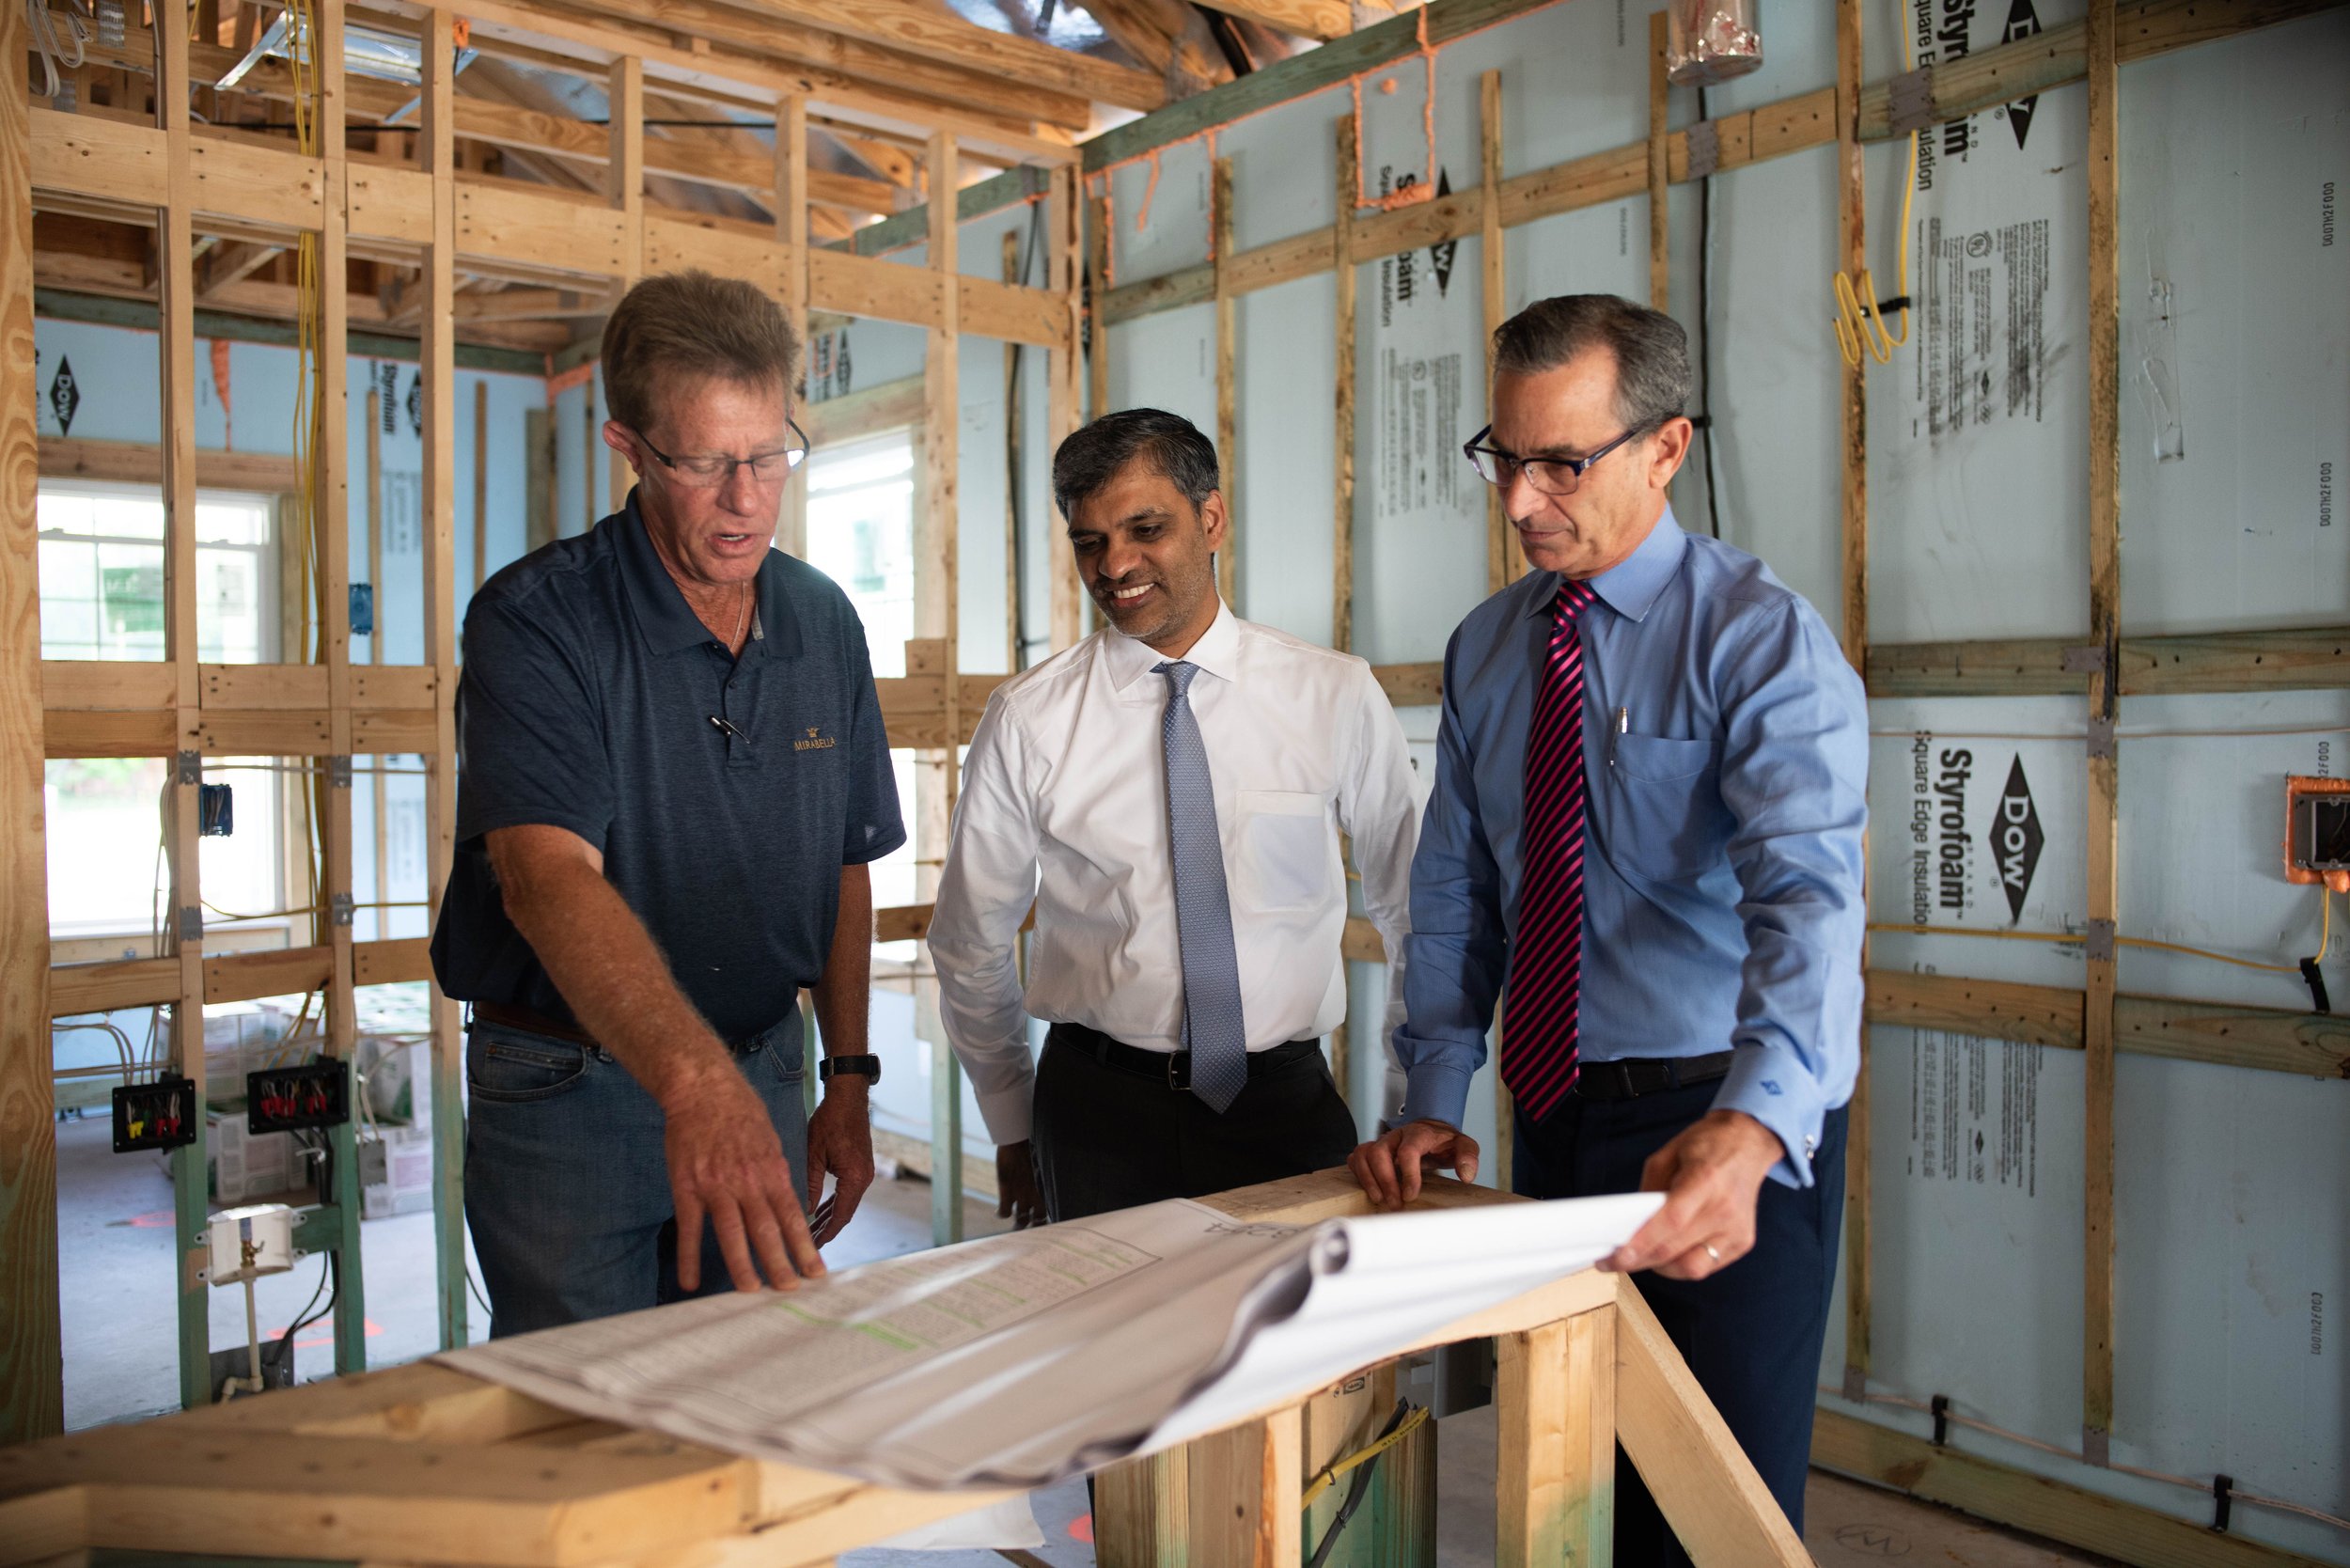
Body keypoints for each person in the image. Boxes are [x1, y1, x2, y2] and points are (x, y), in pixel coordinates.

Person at [1348, 294, 1867, 1555]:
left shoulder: (1757, 642)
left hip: (1718, 1125)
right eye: (1505, 458)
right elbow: (1456, 893)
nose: (1523, 502)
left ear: (1666, 449)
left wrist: (1753, 1132)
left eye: (1562, 464)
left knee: (1712, 1505)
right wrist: (1434, 1091)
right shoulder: (1489, 648)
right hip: (1559, 1115)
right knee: (1575, 1485)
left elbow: (1808, 903)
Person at [430, 270, 904, 1335]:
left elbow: (843, 863)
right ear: (631, 451)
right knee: (582, 1418)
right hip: (569, 1090)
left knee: (741, 1394)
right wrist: (696, 1087)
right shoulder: (538, 621)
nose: (746, 499)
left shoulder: (822, 621)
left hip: (761, 1071)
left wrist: (849, 1077)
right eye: (702, 463)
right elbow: (543, 875)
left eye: (768, 454)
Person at [927, 409, 1420, 1226]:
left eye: (1145, 528)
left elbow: (1416, 915)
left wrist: (1409, 1106)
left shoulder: (1332, 695)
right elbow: (969, 939)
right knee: (1111, 1353)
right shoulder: (1030, 718)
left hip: (1284, 1110)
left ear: (1212, 519)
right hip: (1095, 1117)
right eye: (1090, 541)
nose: (1115, 564)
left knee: (1299, 1353)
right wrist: (1012, 1123)